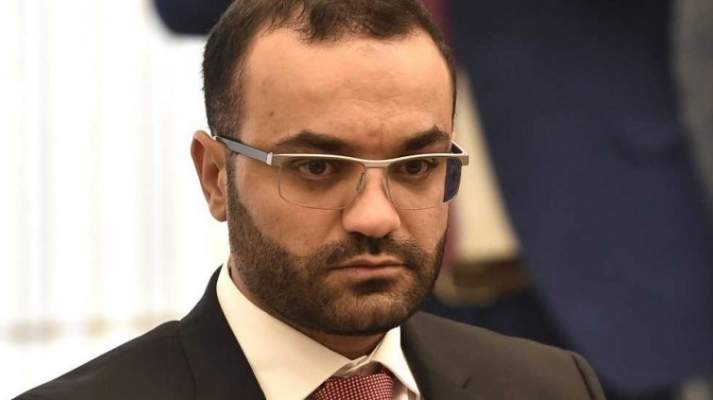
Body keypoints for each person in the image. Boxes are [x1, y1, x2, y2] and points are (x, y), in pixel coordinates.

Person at [15, 1, 606, 399]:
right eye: (318, 168)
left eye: (416, 167)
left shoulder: (552, 386)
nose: (375, 216)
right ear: (216, 177)